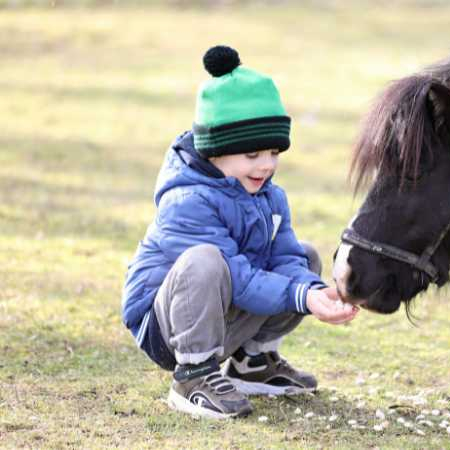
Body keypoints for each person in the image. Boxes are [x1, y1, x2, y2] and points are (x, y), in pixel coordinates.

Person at [121, 45, 358, 420]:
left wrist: (314, 292)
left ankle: (252, 361)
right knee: (205, 261)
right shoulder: (187, 200)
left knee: (305, 256)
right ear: (216, 151)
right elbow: (237, 276)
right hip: (169, 329)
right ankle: (192, 376)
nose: (266, 165)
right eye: (252, 156)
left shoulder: (270, 196)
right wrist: (299, 296)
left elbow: (284, 260)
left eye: (274, 153)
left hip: (227, 314)